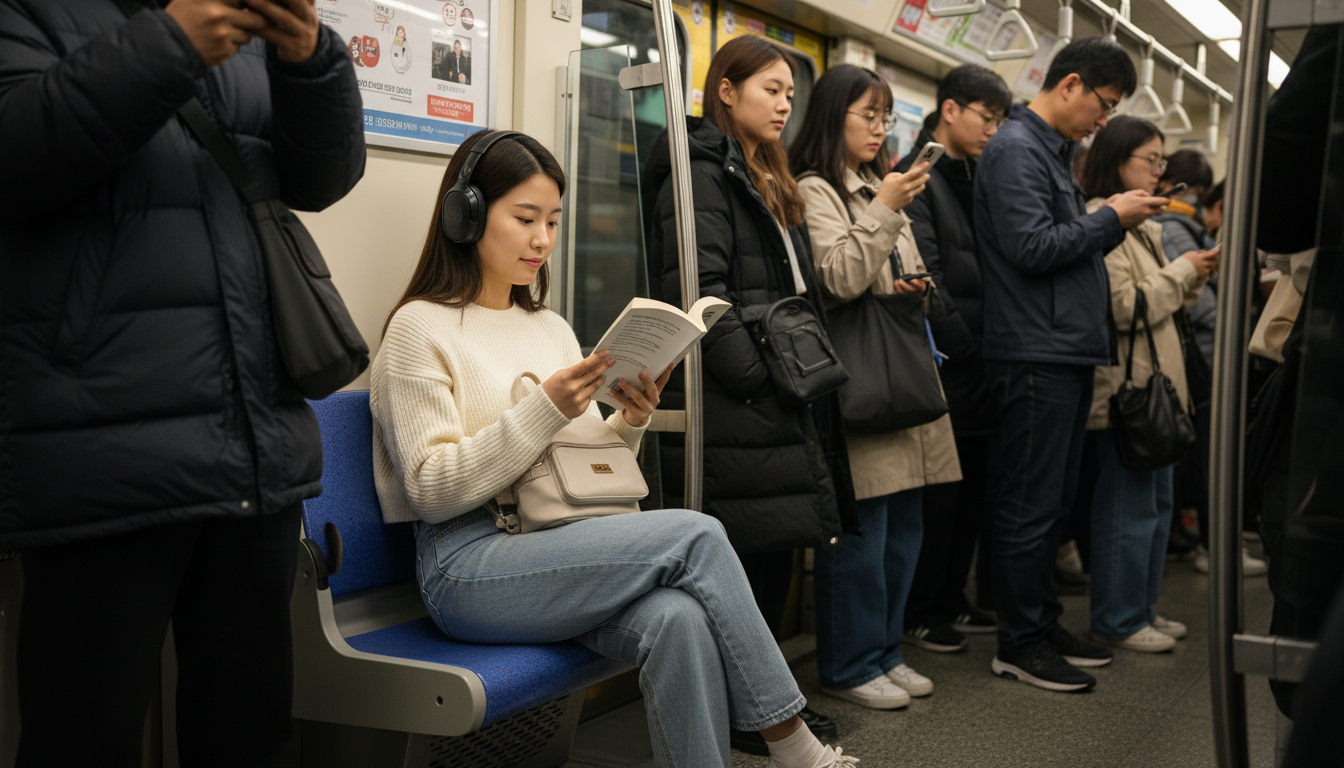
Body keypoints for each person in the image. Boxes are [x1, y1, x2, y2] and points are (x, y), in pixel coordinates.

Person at [373, 129, 859, 768]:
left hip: (554, 541)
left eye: (553, 221)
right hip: (466, 564)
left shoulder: (547, 326)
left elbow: (574, 469)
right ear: (466, 215)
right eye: (525, 218)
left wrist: (628, 421)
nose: (543, 240)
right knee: (698, 534)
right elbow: (431, 492)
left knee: (678, 618)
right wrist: (545, 409)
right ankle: (795, 748)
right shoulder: (419, 328)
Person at [0, 0, 367, 765]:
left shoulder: (243, 30)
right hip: (101, 445)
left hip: (255, 443)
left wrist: (311, 59)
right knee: (83, 738)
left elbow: (323, 178)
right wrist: (171, 44)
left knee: (251, 736)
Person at [644, 35, 856, 753]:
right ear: (726, 91)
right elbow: (700, 292)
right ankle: (749, 717)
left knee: (769, 552)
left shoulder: (765, 171)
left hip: (781, 389)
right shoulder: (703, 174)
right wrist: (757, 377)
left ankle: (766, 709)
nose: (785, 104)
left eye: (791, 93)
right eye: (771, 88)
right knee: (744, 556)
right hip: (743, 398)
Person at [973, 36, 1170, 692]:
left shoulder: (1051, 152)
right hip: (1034, 349)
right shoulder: (1015, 150)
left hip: (1061, 346)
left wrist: (1107, 221)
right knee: (1029, 504)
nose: (1103, 121)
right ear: (1070, 85)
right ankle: (1020, 641)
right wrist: (1111, 217)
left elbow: (1059, 245)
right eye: (1103, 105)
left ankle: (1042, 620)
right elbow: (1031, 247)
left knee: (1053, 502)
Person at [785, 63, 961, 710]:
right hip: (864, 379)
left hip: (903, 373)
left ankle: (886, 650)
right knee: (866, 536)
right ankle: (850, 663)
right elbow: (837, 278)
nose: (880, 127)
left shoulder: (876, 186)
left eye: (886, 117)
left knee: (905, 532)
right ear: (835, 116)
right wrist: (886, 208)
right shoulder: (817, 190)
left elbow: (896, 272)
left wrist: (915, 285)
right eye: (869, 115)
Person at [1078, 116, 1215, 652]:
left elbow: (1160, 301)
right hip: (1127, 390)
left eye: (1161, 161)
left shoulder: (1145, 226)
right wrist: (1182, 272)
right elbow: (1122, 306)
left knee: (1154, 510)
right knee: (1126, 511)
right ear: (1118, 161)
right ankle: (1117, 618)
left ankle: (1141, 608)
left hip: (1156, 384)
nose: (1159, 172)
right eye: (1150, 160)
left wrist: (1191, 276)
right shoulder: (1103, 220)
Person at [892, 63, 1012, 653]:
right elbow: (927, 276)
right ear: (950, 110)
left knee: (972, 490)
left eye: (999, 121)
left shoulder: (975, 175)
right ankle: (921, 608)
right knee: (939, 494)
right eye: (986, 118)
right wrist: (969, 349)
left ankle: (951, 596)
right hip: (948, 359)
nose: (992, 130)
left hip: (982, 357)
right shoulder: (918, 176)